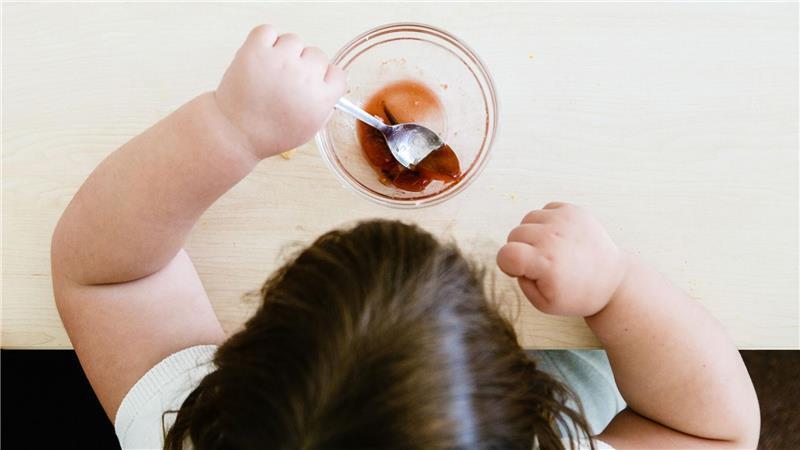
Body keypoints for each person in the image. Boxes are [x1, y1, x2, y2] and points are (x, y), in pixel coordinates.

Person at [51, 25, 760, 450]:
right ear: (528, 408)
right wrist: (615, 290)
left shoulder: (191, 434)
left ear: (227, 372)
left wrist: (228, 129)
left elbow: (106, 275)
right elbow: (719, 434)